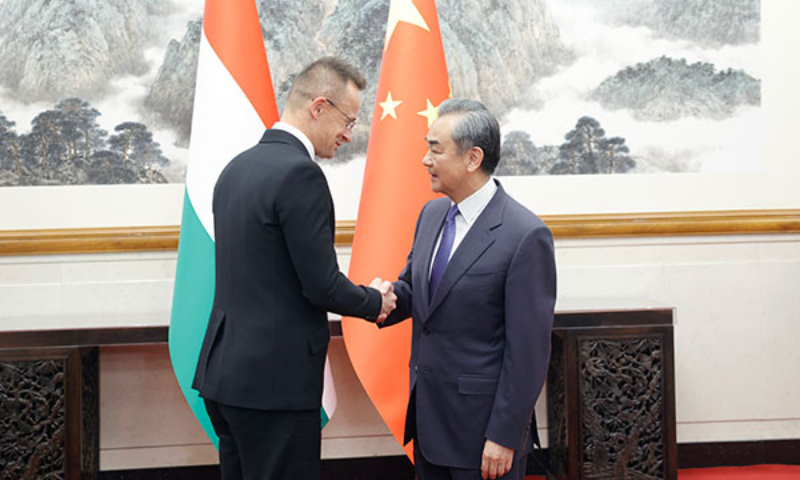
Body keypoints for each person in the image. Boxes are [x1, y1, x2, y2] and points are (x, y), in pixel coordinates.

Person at [192, 56, 396, 480]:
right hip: (274, 387)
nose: (348, 134)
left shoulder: (236, 169)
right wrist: (375, 301)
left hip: (226, 378)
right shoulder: (301, 175)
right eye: (348, 120)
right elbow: (321, 286)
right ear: (318, 107)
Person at [377, 99, 556, 480]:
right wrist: (377, 299)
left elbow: (529, 352)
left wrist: (504, 436)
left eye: (435, 149)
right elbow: (415, 289)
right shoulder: (431, 214)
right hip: (428, 421)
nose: (425, 159)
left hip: (482, 434)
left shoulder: (524, 235)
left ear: (473, 158)